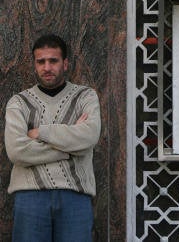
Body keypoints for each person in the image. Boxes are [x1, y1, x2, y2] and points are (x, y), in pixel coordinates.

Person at [4, 34, 101, 242]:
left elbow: (89, 136)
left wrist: (41, 132)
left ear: (65, 63)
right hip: (30, 196)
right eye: (41, 61)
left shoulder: (85, 96)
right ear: (34, 64)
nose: (47, 67)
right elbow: (16, 151)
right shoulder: (19, 102)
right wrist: (70, 145)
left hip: (75, 195)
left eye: (53, 61)